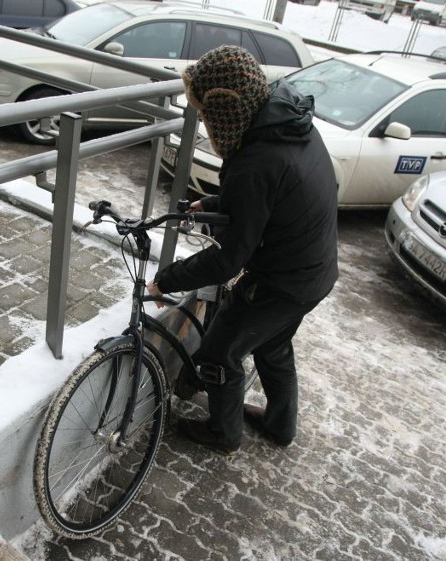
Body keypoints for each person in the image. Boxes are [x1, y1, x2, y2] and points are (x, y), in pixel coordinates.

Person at [147, 45, 339, 455]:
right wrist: (219, 203)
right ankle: (280, 425)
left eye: (204, 111)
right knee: (272, 345)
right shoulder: (286, 124)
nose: (201, 119)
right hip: (313, 270)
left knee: (219, 352)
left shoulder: (256, 160)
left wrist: (166, 279)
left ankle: (223, 433)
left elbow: (228, 260)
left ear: (224, 108)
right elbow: (276, 197)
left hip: (284, 281)